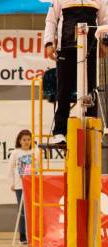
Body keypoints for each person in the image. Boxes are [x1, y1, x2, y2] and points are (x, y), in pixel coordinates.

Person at [44, 0, 107, 144]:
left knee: (91, 91)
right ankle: (60, 132)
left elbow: (104, 21)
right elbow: (51, 20)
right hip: (66, 48)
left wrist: (104, 43)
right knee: (63, 91)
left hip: (90, 49)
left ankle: (92, 132)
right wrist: (48, 43)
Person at [8, 129, 33, 245]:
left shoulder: (35, 152)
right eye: (24, 140)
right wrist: (11, 183)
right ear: (20, 140)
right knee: (22, 211)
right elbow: (10, 169)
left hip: (32, 184)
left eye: (28, 139)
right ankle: (23, 236)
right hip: (20, 185)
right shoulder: (16, 153)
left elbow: (37, 168)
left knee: (32, 210)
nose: (26, 142)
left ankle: (32, 234)